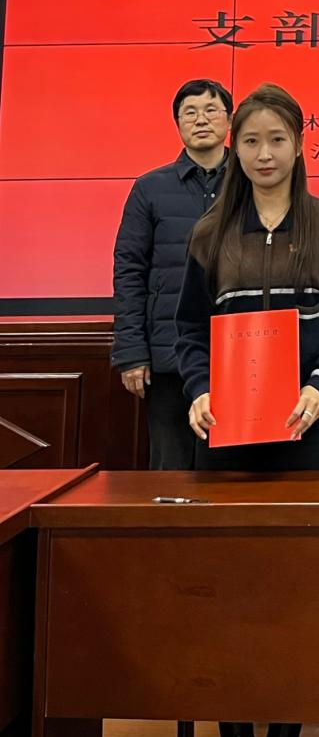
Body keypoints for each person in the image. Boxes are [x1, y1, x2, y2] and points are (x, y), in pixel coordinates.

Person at [175, 82, 319, 737]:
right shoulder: (210, 233)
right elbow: (188, 332)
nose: (265, 153)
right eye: (252, 140)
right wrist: (198, 390)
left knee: (296, 587)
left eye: (277, 139)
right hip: (224, 436)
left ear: (299, 144)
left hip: (302, 433)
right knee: (228, 589)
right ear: (235, 147)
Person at [111, 79, 232, 468]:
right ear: (178, 124)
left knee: (233, 473)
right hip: (169, 355)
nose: (201, 120)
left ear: (230, 120)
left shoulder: (252, 183)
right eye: (189, 113)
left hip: (237, 352)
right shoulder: (150, 188)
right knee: (171, 470)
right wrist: (131, 351)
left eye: (211, 110)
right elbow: (129, 270)